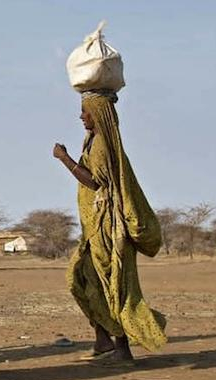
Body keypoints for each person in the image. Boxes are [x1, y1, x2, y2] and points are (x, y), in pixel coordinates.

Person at [53, 92, 166, 364]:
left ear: (98, 114)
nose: (81, 116)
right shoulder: (93, 141)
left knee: (111, 285)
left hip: (107, 229)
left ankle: (122, 347)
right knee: (82, 278)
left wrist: (65, 159)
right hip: (94, 229)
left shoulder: (102, 145)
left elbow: (95, 182)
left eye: (86, 112)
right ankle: (102, 339)